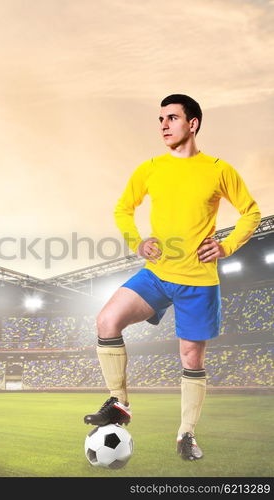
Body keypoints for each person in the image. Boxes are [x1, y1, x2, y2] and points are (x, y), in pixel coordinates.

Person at [83, 94, 261, 460]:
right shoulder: (150, 168)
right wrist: (136, 241)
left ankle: (186, 435)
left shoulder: (218, 169)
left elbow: (251, 212)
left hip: (198, 281)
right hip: (157, 274)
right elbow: (123, 208)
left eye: (172, 118)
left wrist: (226, 246)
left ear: (192, 124)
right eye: (160, 119)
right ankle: (119, 403)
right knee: (106, 320)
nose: (163, 125)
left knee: (191, 360)